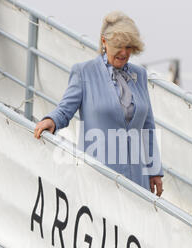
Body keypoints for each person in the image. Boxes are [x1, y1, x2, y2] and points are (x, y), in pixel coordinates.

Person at [34, 11, 163, 196]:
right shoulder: (84, 72)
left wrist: (154, 170)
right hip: (99, 175)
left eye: (129, 47)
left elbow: (148, 127)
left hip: (137, 178)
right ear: (104, 41)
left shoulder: (139, 75)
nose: (124, 52)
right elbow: (65, 110)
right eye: (118, 45)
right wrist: (51, 120)